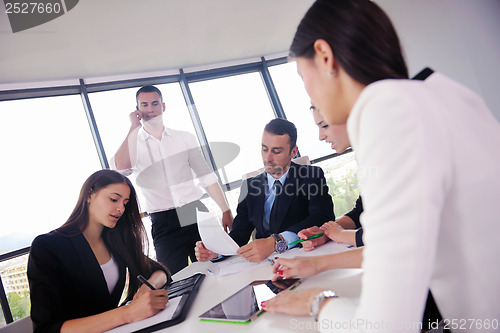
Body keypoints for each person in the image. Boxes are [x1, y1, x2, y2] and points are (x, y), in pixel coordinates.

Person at [262, 0, 500, 331]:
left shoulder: (385, 110)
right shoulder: (440, 92)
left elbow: (384, 325)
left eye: (304, 76)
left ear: (325, 56)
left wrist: (316, 303)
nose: (309, 91)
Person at [28, 170, 171, 333]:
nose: (120, 208)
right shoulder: (47, 246)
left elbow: (160, 271)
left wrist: (148, 288)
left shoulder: (115, 240)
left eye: (125, 203)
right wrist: (127, 313)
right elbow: (46, 329)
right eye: (114, 199)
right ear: (90, 194)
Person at [111, 85, 233, 274]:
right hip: (163, 222)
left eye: (155, 103)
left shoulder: (184, 138)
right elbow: (120, 168)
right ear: (137, 109)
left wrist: (226, 210)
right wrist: (133, 127)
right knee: (174, 278)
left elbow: (205, 175)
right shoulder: (133, 145)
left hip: (195, 212)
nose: (150, 109)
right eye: (144, 105)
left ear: (163, 106)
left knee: (219, 268)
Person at [195, 118, 334, 262]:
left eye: (277, 151)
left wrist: (277, 241)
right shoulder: (249, 186)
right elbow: (239, 234)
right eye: (265, 149)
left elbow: (322, 217)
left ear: (293, 152)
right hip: (265, 264)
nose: (268, 158)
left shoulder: (311, 176)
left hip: (303, 256)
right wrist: (217, 251)